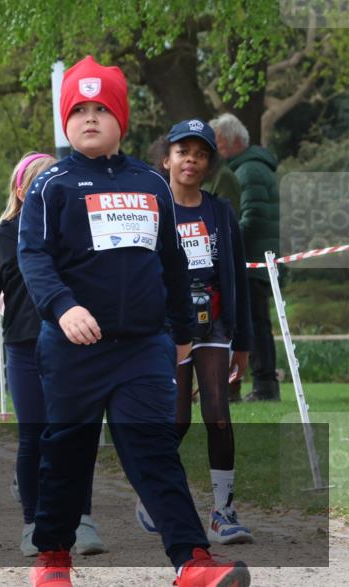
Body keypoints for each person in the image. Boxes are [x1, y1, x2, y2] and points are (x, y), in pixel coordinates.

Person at [18, 56, 250, 587]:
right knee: (67, 452)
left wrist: (181, 334)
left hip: (144, 346)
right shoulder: (50, 185)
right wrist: (63, 307)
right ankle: (53, 557)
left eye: (103, 108)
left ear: (122, 118)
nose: (91, 117)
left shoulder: (151, 183)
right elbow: (34, 256)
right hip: (74, 346)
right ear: (65, 121)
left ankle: (192, 561)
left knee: (154, 450)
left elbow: (172, 260)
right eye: (80, 109)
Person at [0, 151, 105, 557]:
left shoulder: (77, 230)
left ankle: (82, 519)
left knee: (76, 434)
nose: (47, 189)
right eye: (38, 182)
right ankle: (33, 522)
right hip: (24, 349)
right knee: (33, 436)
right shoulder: (2, 237)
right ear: (20, 189)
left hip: (74, 347)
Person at [147, 120, 254, 545]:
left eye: (201, 153)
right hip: (170, 328)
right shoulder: (154, 211)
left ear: (209, 163)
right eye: (183, 151)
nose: (191, 159)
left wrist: (242, 341)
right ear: (166, 159)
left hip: (215, 327)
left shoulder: (220, 212)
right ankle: (157, 497)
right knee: (176, 420)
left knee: (218, 415)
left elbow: (238, 279)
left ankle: (223, 511)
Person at [211, 113, 281, 402]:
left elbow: (250, 219)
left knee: (256, 323)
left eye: (215, 143)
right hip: (259, 258)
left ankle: (265, 385)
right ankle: (261, 384)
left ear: (229, 141)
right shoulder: (253, 167)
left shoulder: (247, 171)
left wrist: (222, 241)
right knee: (257, 322)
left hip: (252, 261)